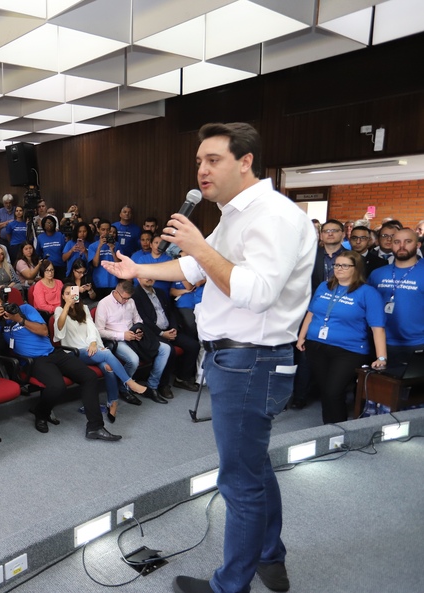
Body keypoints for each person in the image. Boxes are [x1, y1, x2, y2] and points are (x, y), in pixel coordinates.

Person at [102, 122, 317, 593]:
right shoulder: (234, 214)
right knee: (254, 467)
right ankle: (269, 557)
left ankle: (229, 587)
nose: (201, 169)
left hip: (251, 363)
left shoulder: (272, 216)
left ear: (245, 162)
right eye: (199, 161)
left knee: (238, 482)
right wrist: (139, 268)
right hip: (237, 361)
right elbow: (194, 267)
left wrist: (199, 243)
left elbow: (256, 292)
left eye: (213, 159)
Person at [1, 299, 121, 441]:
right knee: (57, 386)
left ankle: (95, 427)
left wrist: (19, 319)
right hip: (34, 361)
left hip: (53, 352)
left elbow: (44, 331)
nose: (5, 309)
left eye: (5, 304)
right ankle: (40, 413)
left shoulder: (25, 309)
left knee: (89, 376)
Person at [296, 250, 387, 424]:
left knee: (333, 391)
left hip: (348, 350)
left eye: (345, 265)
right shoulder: (324, 286)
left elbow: (378, 328)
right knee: (326, 391)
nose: (338, 269)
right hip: (316, 346)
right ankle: (328, 430)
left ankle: (339, 433)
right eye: (337, 265)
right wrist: (302, 336)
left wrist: (381, 357)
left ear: (356, 268)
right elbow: (311, 313)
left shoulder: (368, 293)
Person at [53, 285, 147, 423]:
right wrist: (67, 306)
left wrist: (92, 342)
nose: (70, 296)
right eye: (67, 294)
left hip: (90, 349)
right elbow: (59, 329)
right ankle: (129, 382)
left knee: (108, 368)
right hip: (74, 352)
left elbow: (92, 328)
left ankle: (112, 403)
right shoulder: (59, 310)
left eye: (72, 293)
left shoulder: (84, 308)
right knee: (107, 353)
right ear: (62, 296)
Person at [93, 280, 169, 404]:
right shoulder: (104, 304)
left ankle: (152, 386)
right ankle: (124, 388)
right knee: (133, 360)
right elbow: (99, 331)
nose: (126, 301)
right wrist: (122, 335)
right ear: (116, 293)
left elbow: (138, 320)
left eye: (128, 298)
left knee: (165, 349)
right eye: (124, 298)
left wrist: (139, 330)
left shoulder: (131, 301)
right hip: (116, 340)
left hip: (133, 336)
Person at [133, 275, 202, 396]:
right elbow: (143, 319)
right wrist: (161, 333)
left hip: (168, 329)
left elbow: (170, 312)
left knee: (193, 345)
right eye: (145, 276)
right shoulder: (135, 295)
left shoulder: (160, 292)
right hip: (152, 333)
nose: (149, 278)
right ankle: (163, 385)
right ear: (138, 279)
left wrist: (173, 328)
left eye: (150, 275)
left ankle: (182, 379)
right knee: (170, 350)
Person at [368, 227, 424, 366]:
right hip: (381, 343)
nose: (402, 246)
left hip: (417, 343)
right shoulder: (377, 273)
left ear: (418, 245)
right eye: (397, 242)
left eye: (408, 241)